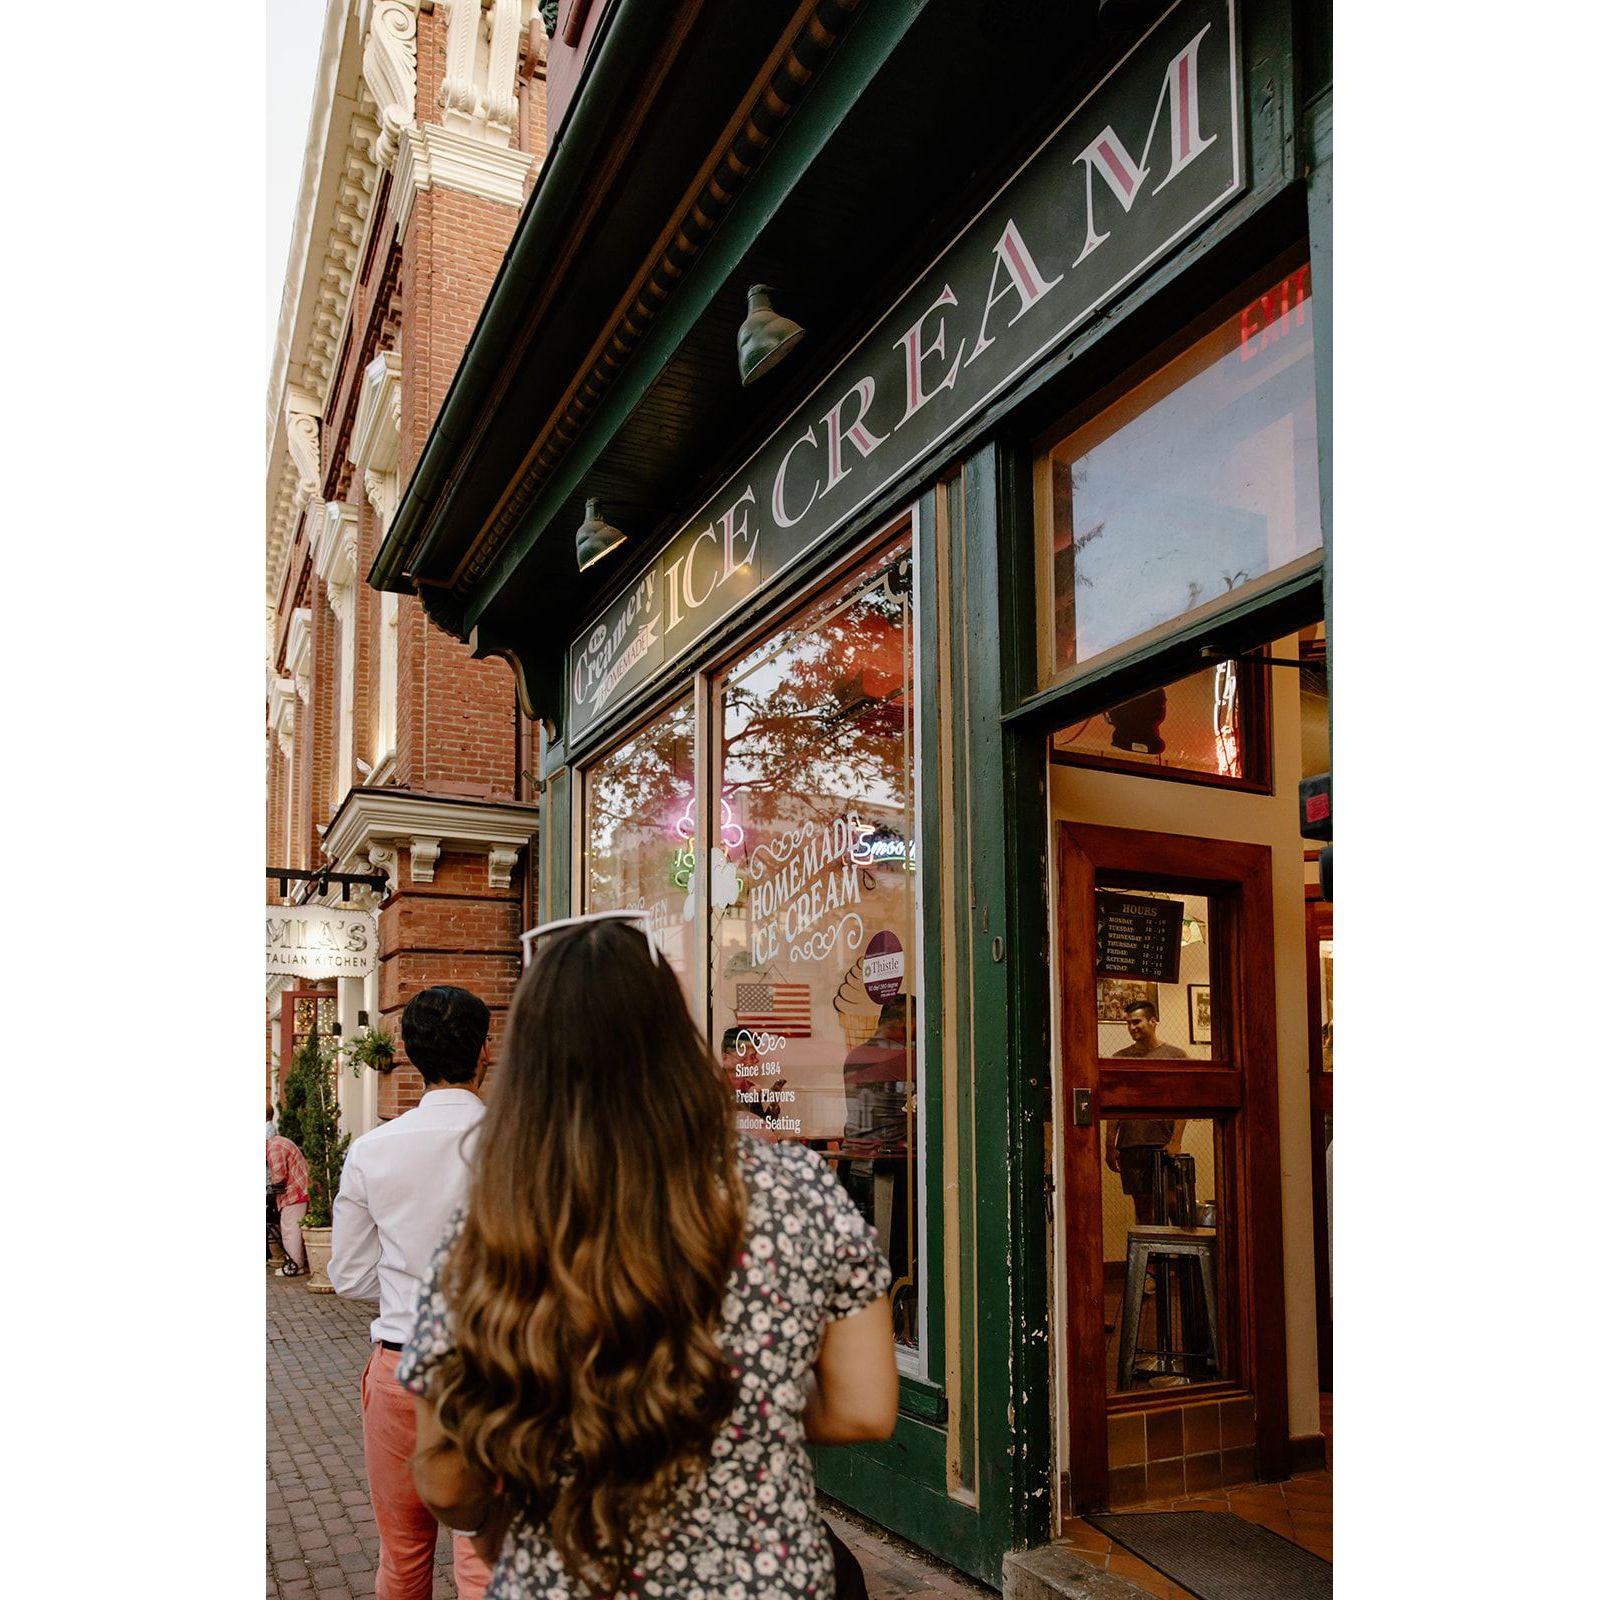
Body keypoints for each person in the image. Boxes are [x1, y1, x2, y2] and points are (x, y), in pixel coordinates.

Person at [398, 911, 899, 1598]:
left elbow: (448, 1479)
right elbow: (864, 1407)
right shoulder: (799, 1190)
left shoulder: (491, 1227)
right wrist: (735, 1397)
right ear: (677, 1039)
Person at [329, 986, 496, 1600]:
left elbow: (347, 1275)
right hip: (493, 1366)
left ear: (407, 1052)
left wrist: (412, 1283)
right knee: (483, 1560)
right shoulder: (517, 1143)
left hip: (402, 1368)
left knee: (402, 1557)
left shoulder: (372, 1150)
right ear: (485, 1050)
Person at [1106, 999, 1187, 1225]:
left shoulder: (1175, 1056)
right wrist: (1110, 1144)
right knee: (1143, 1208)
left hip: (1163, 1144)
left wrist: (1176, 1141)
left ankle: (1180, 1259)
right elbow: (1114, 1104)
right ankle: (1149, 1260)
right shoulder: (1120, 1059)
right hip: (1131, 1145)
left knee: (1174, 1204)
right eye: (1128, 1023)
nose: (1132, 1028)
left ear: (1153, 1021)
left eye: (1137, 1022)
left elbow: (1185, 1103)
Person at [266, 1127, 310, 1276]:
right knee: (291, 1228)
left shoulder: (273, 1149)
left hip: (295, 1192)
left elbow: (279, 1177)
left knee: (290, 1229)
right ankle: (294, 1261)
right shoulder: (275, 1143)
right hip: (298, 1188)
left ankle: (295, 1265)